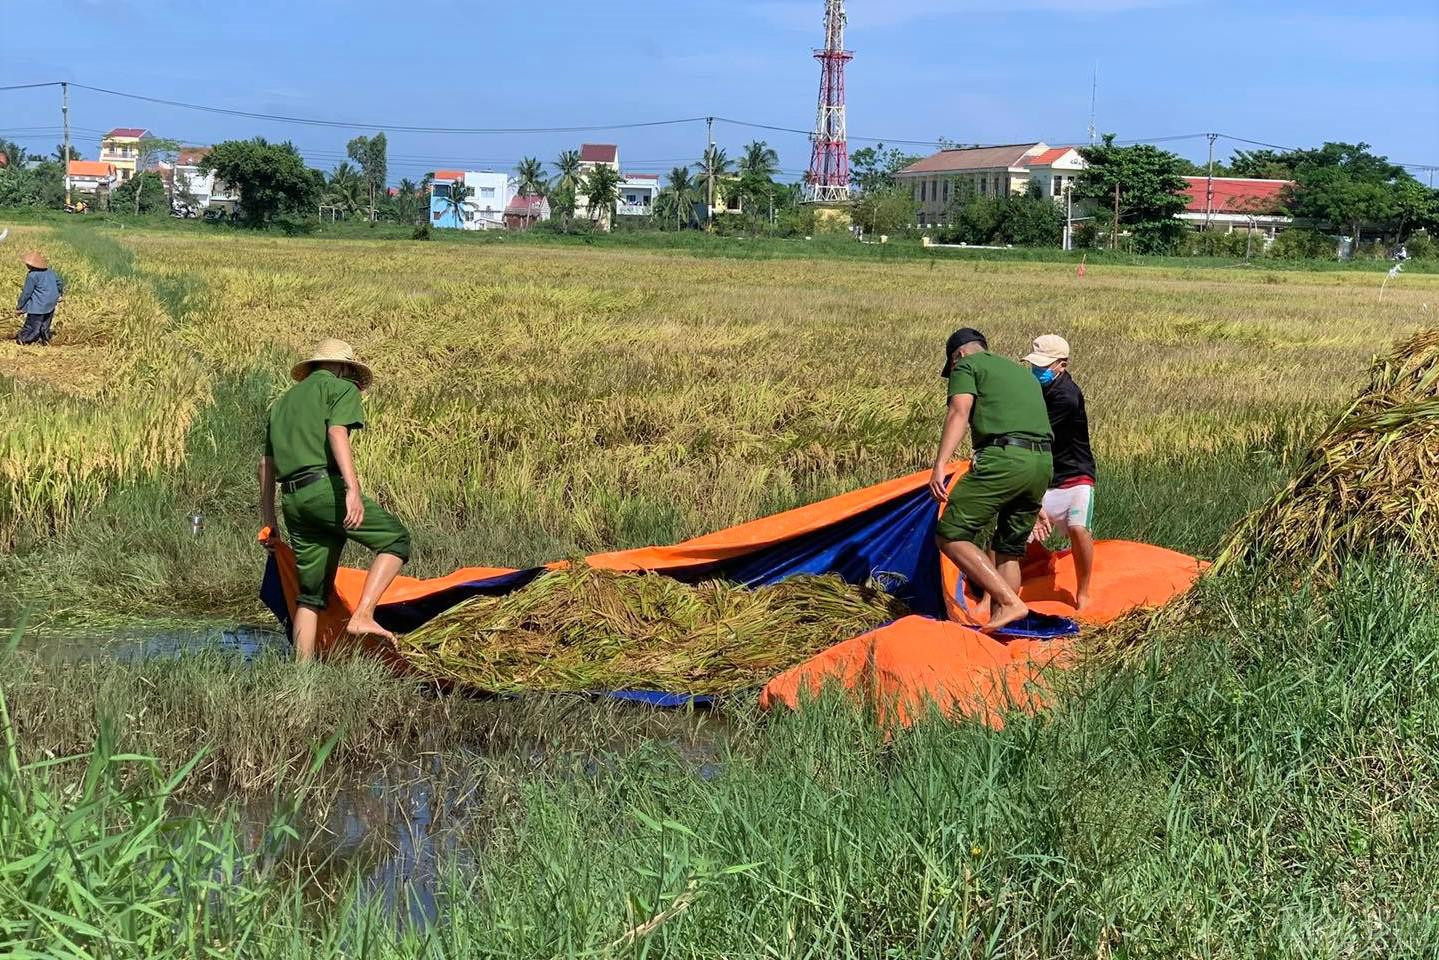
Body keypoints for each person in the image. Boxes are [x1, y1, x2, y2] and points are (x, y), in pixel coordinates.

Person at [260, 338, 411, 662]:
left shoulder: (281, 404)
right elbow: (336, 433)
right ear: (343, 367)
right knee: (396, 540)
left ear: (313, 366)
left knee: (310, 595)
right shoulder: (342, 390)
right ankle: (363, 615)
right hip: (322, 490)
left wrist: (268, 519)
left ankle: (302, 677)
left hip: (293, 501)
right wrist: (352, 490)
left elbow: (266, 465)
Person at [929, 328, 1054, 633]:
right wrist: (1030, 493)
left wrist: (940, 464)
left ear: (958, 356)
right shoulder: (1023, 373)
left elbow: (959, 412)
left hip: (1004, 459)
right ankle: (1004, 628)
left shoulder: (967, 366)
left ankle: (1009, 603)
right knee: (1008, 548)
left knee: (950, 534)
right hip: (1042, 463)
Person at [1024, 334, 1097, 611]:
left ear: (1062, 365)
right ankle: (987, 593)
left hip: (1074, 476)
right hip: (1042, 476)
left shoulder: (1067, 397)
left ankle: (1084, 591)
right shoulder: (1031, 389)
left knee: (1078, 529)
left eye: (1044, 366)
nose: (1037, 371)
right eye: (1035, 365)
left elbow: (1035, 438)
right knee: (1011, 533)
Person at [14, 250, 64, 345]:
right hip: (51, 302)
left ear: (32, 265)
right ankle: (44, 340)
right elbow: (60, 283)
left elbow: (27, 293)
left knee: (33, 326)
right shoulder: (50, 271)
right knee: (45, 324)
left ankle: (24, 340)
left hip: (39, 305)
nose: (26, 265)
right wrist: (60, 294)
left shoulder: (32, 275)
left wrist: (19, 307)